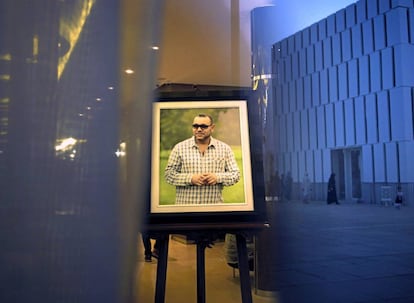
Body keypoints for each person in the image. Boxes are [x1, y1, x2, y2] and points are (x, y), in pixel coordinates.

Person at [164, 113, 240, 204]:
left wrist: (217, 177)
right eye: (195, 126)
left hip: (213, 208)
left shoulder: (225, 149)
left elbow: (235, 174)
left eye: (203, 126)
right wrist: (190, 178)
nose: (199, 129)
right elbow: (169, 174)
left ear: (212, 128)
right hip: (185, 209)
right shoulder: (179, 148)